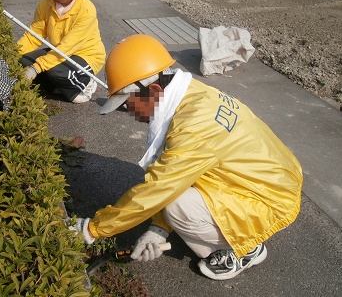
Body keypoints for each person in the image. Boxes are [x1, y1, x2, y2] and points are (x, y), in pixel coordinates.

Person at [70, 34, 303, 280]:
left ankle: (243, 250)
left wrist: (94, 229)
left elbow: (160, 188)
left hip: (268, 199)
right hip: (264, 181)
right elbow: (179, 173)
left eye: (128, 104)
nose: (129, 113)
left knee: (176, 206)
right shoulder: (191, 93)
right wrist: (159, 228)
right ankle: (233, 237)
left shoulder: (193, 128)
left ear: (154, 89)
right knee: (173, 198)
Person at [17, 0, 105, 103]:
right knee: (23, 60)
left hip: (86, 55)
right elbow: (34, 35)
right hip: (58, 50)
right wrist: (12, 53)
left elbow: (67, 47)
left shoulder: (87, 10)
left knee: (56, 71)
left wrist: (36, 68)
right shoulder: (45, 3)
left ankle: (85, 84)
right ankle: (58, 85)